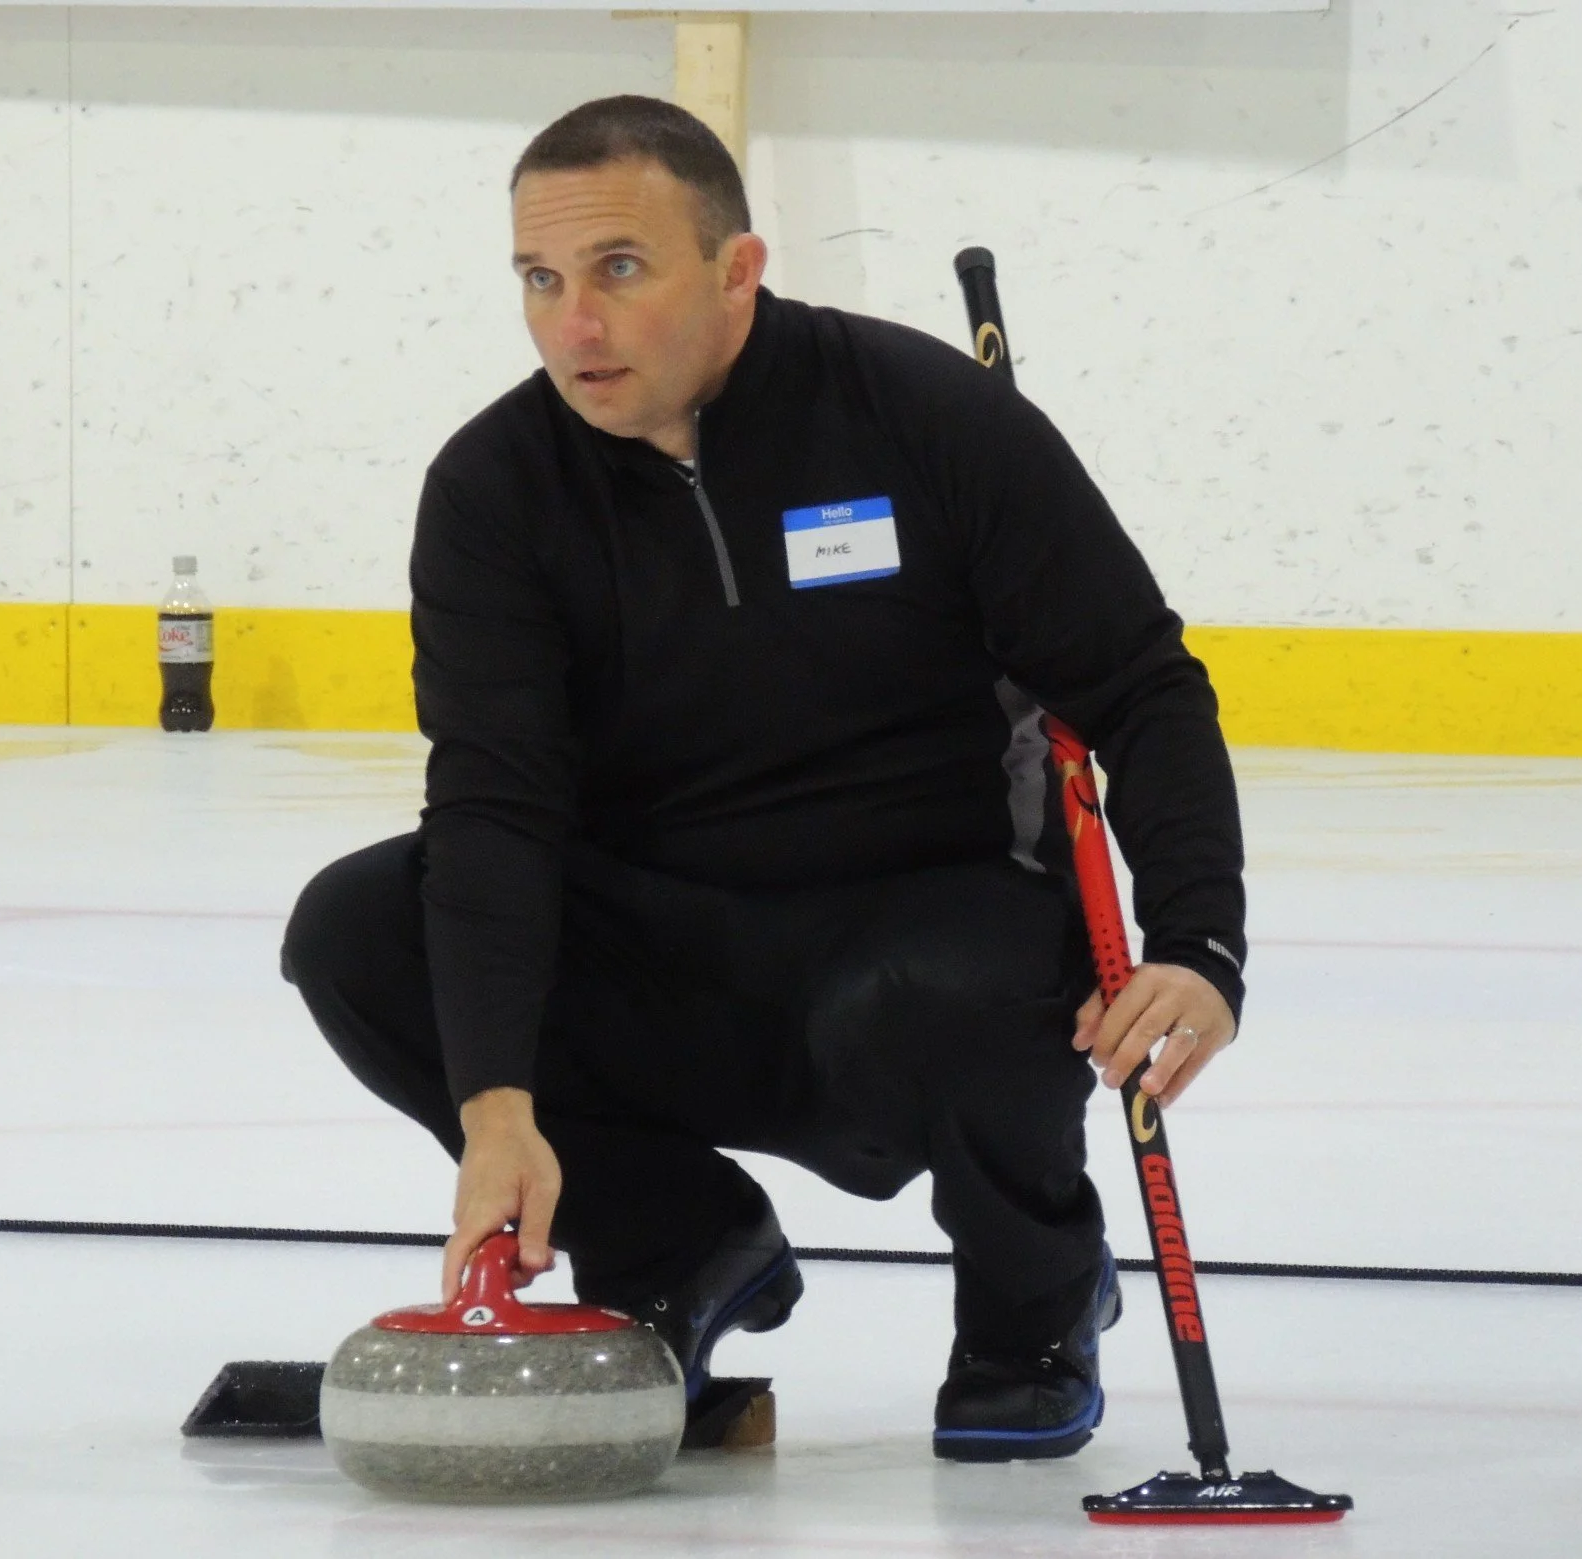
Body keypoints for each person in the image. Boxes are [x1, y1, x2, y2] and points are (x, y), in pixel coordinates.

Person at [282, 94, 1247, 1463]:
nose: (575, 324)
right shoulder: (496, 488)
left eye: (619, 268)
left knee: (974, 968)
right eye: (539, 280)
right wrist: (493, 1103)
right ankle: (684, 1242)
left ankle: (1031, 1304)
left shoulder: (924, 418)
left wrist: (1201, 941)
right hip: (657, 956)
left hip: (911, 947)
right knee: (360, 927)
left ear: (738, 269)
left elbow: (1142, 684)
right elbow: (496, 806)